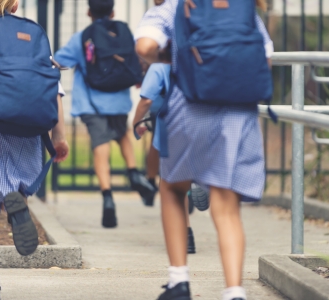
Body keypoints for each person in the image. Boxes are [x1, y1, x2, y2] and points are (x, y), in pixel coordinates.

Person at [135, 0, 273, 299]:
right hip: (238, 110)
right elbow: (265, 57)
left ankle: (178, 282)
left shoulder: (172, 7)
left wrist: (172, 55)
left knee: (172, 188)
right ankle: (235, 291)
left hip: (191, 105)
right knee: (226, 204)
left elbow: (145, 47)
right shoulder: (242, 7)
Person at [54, 0, 156, 229]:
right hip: (119, 101)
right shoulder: (122, 33)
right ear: (113, 12)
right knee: (122, 135)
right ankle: (133, 172)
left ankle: (108, 197)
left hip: (92, 104)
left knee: (101, 145)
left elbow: (58, 61)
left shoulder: (82, 38)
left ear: (89, 12)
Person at [0, 1, 69, 299]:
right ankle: (19, 199)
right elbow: (55, 89)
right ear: (13, 5)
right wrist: (59, 137)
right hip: (28, 129)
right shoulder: (31, 34)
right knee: (14, 187)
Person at [133, 62, 196, 254]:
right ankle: (201, 182)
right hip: (205, 117)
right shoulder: (203, 52)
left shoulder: (160, 65)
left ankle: (185, 236)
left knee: (173, 182)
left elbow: (146, 101)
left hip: (174, 122)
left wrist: (136, 123)